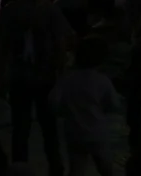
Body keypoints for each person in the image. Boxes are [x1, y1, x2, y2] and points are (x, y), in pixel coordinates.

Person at [0, 0, 70, 173]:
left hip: (41, 76)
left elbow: (60, 45)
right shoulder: (20, 10)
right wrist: (3, 74)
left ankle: (48, 165)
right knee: (26, 126)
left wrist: (60, 74)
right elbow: (4, 46)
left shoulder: (48, 11)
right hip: (25, 76)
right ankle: (40, 166)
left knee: (42, 126)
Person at [50, 36, 120, 176]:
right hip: (97, 132)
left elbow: (53, 102)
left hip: (74, 131)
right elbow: (114, 104)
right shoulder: (102, 80)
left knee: (76, 169)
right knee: (106, 168)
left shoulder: (67, 79)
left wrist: (65, 112)